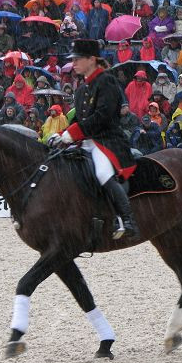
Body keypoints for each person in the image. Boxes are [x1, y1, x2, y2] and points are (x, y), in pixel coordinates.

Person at [51, 39, 139, 240]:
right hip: (86, 141)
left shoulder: (106, 82)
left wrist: (71, 134)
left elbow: (102, 117)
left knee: (102, 173)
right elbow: (80, 120)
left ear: (92, 59)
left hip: (107, 140)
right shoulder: (82, 89)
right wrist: (61, 134)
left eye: (78, 59)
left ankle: (127, 219)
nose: (74, 63)